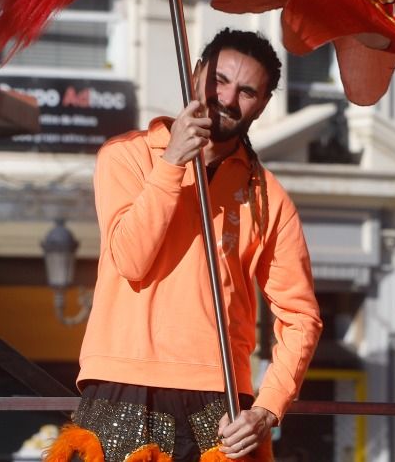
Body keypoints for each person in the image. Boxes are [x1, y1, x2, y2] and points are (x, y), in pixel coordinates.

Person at [56, 28, 323, 462]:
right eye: (219, 80)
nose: (228, 98)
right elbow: (131, 259)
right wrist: (171, 163)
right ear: (196, 73)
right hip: (123, 383)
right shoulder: (126, 156)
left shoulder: (268, 194)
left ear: (264, 103)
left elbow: (301, 317)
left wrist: (269, 408)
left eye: (247, 90)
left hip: (220, 402)